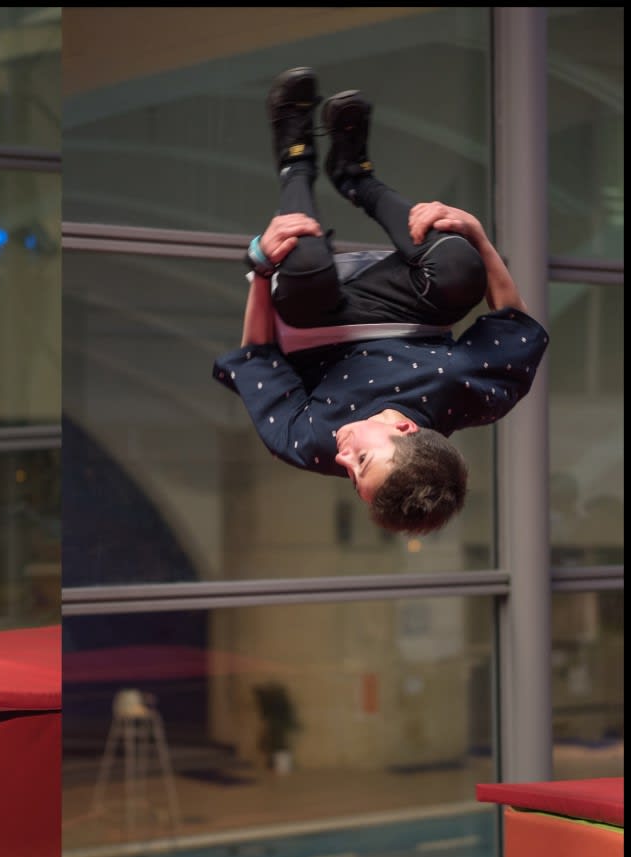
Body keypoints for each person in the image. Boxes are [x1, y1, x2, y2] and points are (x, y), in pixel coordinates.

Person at [212, 68, 549, 535]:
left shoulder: (308, 441)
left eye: (351, 476)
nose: (343, 457)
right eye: (363, 460)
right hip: (404, 307)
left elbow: (256, 357)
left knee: (304, 260)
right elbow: (516, 326)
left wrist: (262, 264)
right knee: (460, 266)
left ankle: (296, 160)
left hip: (314, 319)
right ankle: (357, 178)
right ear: (406, 431)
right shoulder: (465, 392)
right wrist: (477, 235)